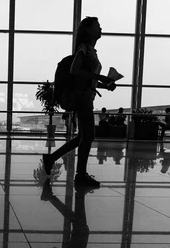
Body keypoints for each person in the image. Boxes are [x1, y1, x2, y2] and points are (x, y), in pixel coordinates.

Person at [41, 17, 117, 187]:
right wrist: (100, 77)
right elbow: (74, 70)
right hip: (82, 97)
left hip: (86, 95)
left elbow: (86, 79)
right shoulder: (84, 49)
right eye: (97, 26)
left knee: (84, 136)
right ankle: (80, 175)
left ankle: (52, 158)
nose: (101, 28)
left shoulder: (91, 51)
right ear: (88, 30)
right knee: (88, 135)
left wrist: (105, 85)